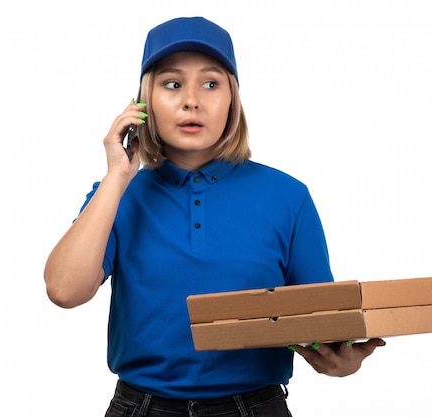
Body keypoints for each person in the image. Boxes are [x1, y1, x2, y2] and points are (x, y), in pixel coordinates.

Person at [44, 16, 385, 417]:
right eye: (172, 84)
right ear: (143, 103)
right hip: (141, 407)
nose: (192, 100)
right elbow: (64, 291)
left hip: (255, 407)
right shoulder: (118, 195)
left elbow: (320, 323)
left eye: (211, 83)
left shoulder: (287, 196)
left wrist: (341, 361)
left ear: (232, 100)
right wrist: (117, 175)